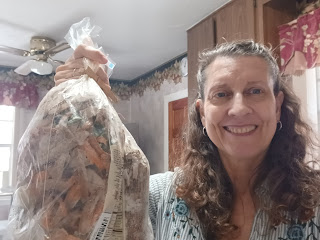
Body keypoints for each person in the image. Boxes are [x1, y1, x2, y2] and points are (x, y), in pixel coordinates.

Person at [54, 40, 320, 240]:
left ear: (277, 106)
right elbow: (77, 222)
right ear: (203, 113)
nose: (239, 108)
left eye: (255, 91)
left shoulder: (315, 201)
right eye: (221, 94)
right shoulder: (158, 197)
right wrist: (77, 104)